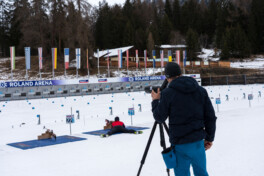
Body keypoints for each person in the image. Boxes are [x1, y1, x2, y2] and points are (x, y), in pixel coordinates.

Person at [151, 62, 217, 176]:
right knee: (202, 173)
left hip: (180, 144)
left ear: (167, 78)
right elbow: (211, 117)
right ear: (180, 74)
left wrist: (155, 101)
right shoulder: (200, 90)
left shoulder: (168, 93)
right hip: (198, 143)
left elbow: (159, 117)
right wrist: (209, 138)